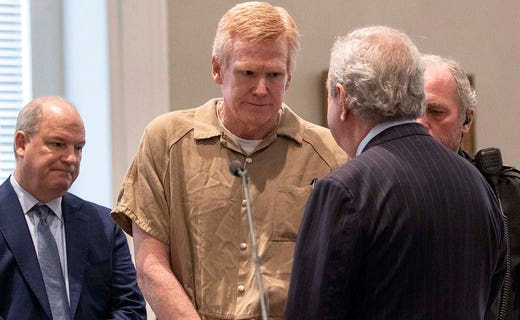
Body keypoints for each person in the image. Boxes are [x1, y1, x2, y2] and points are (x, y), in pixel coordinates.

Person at [111, 2, 347, 319]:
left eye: (274, 75)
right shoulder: (166, 142)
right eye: (247, 72)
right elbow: (150, 265)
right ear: (217, 68)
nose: (261, 89)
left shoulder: (330, 155)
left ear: (289, 77)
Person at [284, 26, 506, 319]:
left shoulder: (345, 189)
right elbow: (491, 298)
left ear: (342, 99)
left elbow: (313, 312)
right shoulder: (476, 182)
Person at [416, 54, 520, 320]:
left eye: (436, 112)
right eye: (412, 112)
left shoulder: (510, 195)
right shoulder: (379, 193)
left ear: (466, 119)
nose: (421, 124)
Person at [0, 96, 146, 320]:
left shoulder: (103, 226)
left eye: (78, 148)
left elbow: (130, 308)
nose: (71, 158)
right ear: (21, 144)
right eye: (57, 144)